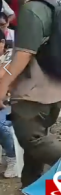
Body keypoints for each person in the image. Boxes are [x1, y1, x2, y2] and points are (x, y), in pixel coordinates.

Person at [0, 0, 61, 188]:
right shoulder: (57, 5)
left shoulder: (32, 10)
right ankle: (32, 190)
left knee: (31, 139)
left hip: (33, 92)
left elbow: (23, 54)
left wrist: (3, 84)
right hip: (56, 89)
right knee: (33, 152)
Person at [0, 34, 17, 178]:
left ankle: (12, 158)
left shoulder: (12, 57)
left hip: (13, 103)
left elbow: (3, 74)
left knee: (0, 124)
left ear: (2, 43)